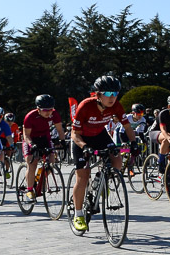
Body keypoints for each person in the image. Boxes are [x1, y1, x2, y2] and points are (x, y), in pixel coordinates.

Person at [70, 76, 138, 233]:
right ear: (98, 94)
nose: (112, 97)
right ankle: (78, 214)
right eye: (108, 93)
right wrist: (84, 147)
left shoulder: (116, 106)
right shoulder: (86, 106)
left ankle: (103, 179)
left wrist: (133, 143)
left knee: (117, 161)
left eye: (115, 93)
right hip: (82, 138)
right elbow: (74, 134)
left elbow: (128, 127)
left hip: (100, 135)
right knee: (83, 176)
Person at [22, 95, 66, 199]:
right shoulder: (30, 116)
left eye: (50, 109)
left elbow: (60, 130)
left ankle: (38, 177)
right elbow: (26, 135)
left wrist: (63, 142)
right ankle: (29, 189)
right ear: (38, 109)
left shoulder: (54, 114)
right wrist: (31, 144)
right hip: (31, 139)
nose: (48, 112)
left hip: (45, 138)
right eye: (45, 110)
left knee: (51, 161)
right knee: (32, 162)